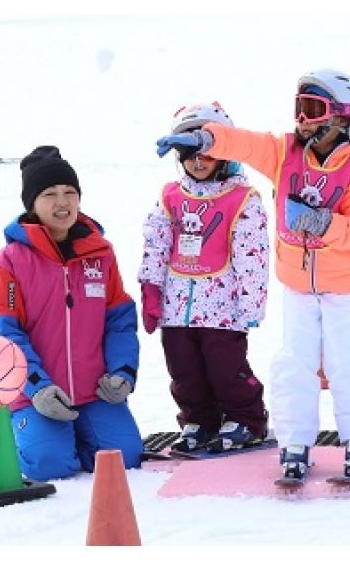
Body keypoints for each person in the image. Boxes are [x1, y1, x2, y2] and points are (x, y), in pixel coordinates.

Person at [156, 69, 350, 480]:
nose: (301, 118)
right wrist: (206, 138)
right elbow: (244, 143)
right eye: (298, 108)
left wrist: (321, 223)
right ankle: (295, 443)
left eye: (312, 109)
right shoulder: (284, 154)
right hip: (297, 287)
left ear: (344, 117)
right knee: (293, 363)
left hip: (342, 289)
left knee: (347, 362)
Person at [0, 146, 143, 481]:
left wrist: (123, 371)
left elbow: (119, 322)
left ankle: (79, 431)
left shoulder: (100, 255)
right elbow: (3, 338)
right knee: (49, 465)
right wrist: (36, 386)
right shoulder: (6, 263)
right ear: (32, 204)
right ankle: (30, 431)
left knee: (125, 458)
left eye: (70, 192)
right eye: (49, 194)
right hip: (37, 393)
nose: (62, 203)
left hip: (93, 391)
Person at [139, 102, 271, 453]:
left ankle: (246, 419)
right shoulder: (170, 196)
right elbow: (156, 243)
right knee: (184, 370)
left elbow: (252, 255)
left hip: (223, 308)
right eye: (189, 154)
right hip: (176, 306)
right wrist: (151, 289)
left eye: (207, 154)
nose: (198, 162)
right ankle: (198, 419)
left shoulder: (242, 199)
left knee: (225, 368)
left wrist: (251, 304)